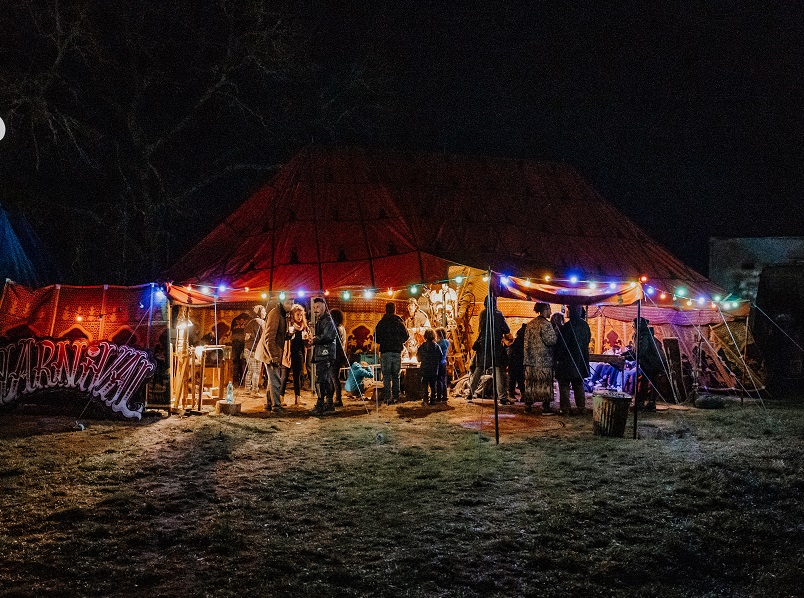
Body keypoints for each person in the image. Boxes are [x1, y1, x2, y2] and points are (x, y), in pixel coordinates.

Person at [255, 296, 294, 412]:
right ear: (282, 302)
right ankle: (276, 406)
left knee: (272, 379)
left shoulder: (282, 314)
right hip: (269, 352)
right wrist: (274, 356)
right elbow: (269, 338)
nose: (290, 305)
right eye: (288, 303)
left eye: (292, 303)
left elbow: (278, 335)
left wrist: (288, 336)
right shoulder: (276, 314)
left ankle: (269, 403)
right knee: (276, 379)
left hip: (272, 351)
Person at [469, 294, 510, 401]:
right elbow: (506, 330)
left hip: (483, 346)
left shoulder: (482, 314)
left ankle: (470, 393)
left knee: (479, 370)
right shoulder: (498, 314)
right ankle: (502, 397)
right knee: (498, 371)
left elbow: (480, 330)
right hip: (495, 346)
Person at [555, 304, 592, 415]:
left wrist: (558, 357)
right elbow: (587, 341)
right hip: (580, 360)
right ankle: (581, 408)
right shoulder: (585, 326)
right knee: (578, 384)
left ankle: (565, 408)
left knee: (564, 384)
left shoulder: (567, 326)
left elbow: (562, 345)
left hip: (567, 361)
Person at [523, 302, 557, 412]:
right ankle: (545, 408)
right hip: (544, 361)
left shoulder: (530, 324)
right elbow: (551, 341)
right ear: (545, 309)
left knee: (531, 384)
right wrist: (556, 332)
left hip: (530, 360)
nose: (550, 312)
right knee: (544, 384)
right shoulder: (546, 324)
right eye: (549, 309)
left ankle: (528, 406)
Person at [374, 302, 409, 404]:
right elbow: (406, 335)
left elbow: (376, 337)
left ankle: (387, 397)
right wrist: (399, 342)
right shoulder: (399, 322)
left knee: (386, 376)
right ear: (395, 310)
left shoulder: (381, 323)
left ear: (386, 310)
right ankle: (396, 397)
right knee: (396, 375)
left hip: (385, 352)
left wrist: (384, 341)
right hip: (397, 352)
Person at [631, 317, 668, 410]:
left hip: (653, 362)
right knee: (652, 381)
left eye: (634, 325)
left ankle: (641, 403)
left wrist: (633, 356)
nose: (633, 326)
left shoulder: (645, 335)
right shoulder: (647, 334)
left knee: (645, 381)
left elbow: (642, 350)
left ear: (639, 325)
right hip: (653, 361)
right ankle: (650, 403)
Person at [310, 297, 337, 415]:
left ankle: (321, 403)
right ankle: (328, 403)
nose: (316, 310)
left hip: (325, 353)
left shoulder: (327, 320)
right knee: (325, 379)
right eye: (314, 307)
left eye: (318, 307)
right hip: (323, 353)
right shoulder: (321, 320)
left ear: (324, 307)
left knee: (321, 379)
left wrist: (314, 339)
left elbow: (328, 336)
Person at [281, 303, 310, 407]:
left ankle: (297, 398)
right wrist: (289, 334)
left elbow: (308, 343)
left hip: (299, 354)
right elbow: (283, 338)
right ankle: (281, 398)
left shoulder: (304, 327)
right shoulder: (289, 326)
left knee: (297, 377)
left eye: (301, 315)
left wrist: (307, 339)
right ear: (293, 315)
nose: (300, 317)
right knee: (284, 377)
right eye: (298, 314)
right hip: (288, 354)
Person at [417, 328, 442, 405]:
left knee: (424, 385)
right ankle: (433, 400)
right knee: (433, 385)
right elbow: (440, 356)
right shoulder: (436, 346)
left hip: (424, 369)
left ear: (425, 336)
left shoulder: (422, 346)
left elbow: (418, 358)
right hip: (434, 369)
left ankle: (425, 400)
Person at [244, 306, 266, 395]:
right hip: (255, 349)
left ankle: (247, 389)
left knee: (250, 370)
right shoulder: (259, 322)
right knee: (256, 371)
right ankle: (255, 390)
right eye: (263, 311)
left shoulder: (250, 322)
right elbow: (262, 337)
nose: (265, 313)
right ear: (259, 312)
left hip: (247, 349)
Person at [330, 309, 348, 407]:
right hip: (340, 355)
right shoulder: (342, 328)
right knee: (335, 377)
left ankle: (337, 398)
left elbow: (335, 342)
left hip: (335, 355)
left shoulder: (336, 328)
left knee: (333, 378)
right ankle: (335, 397)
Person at [229, 310, 252, 386]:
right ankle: (245, 381)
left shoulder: (234, 319)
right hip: (245, 342)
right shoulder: (250, 319)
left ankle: (236, 381)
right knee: (247, 362)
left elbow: (231, 333)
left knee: (236, 361)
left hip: (235, 342)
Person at [507, 323, 526, 403]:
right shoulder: (523, 336)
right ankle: (512, 393)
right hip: (516, 357)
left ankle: (514, 393)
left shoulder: (520, 335)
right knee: (517, 376)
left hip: (515, 356)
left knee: (515, 376)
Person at [435, 327, 450, 403]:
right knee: (444, 379)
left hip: (438, 363)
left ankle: (438, 396)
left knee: (438, 380)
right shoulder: (447, 342)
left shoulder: (438, 343)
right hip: (444, 362)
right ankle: (444, 396)